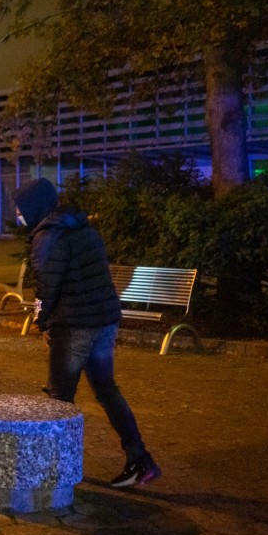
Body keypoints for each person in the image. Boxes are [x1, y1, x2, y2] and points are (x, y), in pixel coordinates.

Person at [13, 177, 161, 488]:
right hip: (104, 320)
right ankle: (139, 460)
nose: (18, 214)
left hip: (75, 325)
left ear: (34, 207)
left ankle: (54, 470)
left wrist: (41, 321)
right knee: (107, 390)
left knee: (59, 400)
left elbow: (45, 287)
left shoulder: (48, 236)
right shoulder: (81, 227)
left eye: (20, 208)